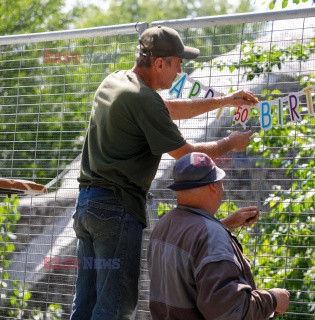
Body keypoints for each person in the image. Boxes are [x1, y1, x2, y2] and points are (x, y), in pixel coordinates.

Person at [71, 25, 260, 320]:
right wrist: (230, 143)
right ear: (160, 63)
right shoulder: (143, 99)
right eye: (178, 63)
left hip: (87, 208)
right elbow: (186, 154)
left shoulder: (117, 81)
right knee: (115, 307)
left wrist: (226, 101)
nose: (179, 71)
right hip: (116, 210)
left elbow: (167, 108)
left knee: (85, 303)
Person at [148, 152, 290, 319]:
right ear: (213, 186)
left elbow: (191, 252)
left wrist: (224, 225)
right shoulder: (210, 235)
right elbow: (230, 312)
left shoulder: (163, 225)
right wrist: (272, 300)